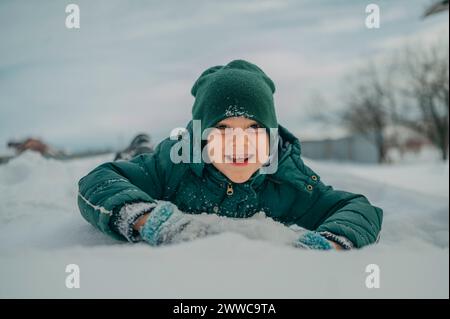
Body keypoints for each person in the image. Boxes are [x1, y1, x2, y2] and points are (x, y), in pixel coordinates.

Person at [77, 60, 383, 250]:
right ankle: (138, 145)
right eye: (222, 128)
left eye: (253, 128)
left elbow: (356, 207)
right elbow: (100, 180)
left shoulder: (286, 181)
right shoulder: (174, 164)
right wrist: (146, 219)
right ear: (201, 136)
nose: (239, 143)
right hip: (154, 158)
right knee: (136, 158)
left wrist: (331, 243)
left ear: (270, 135)